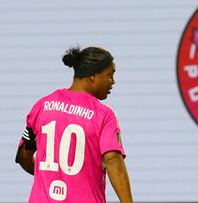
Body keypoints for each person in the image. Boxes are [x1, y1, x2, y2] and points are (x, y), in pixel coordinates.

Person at [15, 46, 133, 203]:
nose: (113, 82)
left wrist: (50, 175)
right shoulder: (104, 115)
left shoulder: (42, 106)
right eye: (110, 75)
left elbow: (24, 156)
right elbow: (113, 160)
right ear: (92, 75)